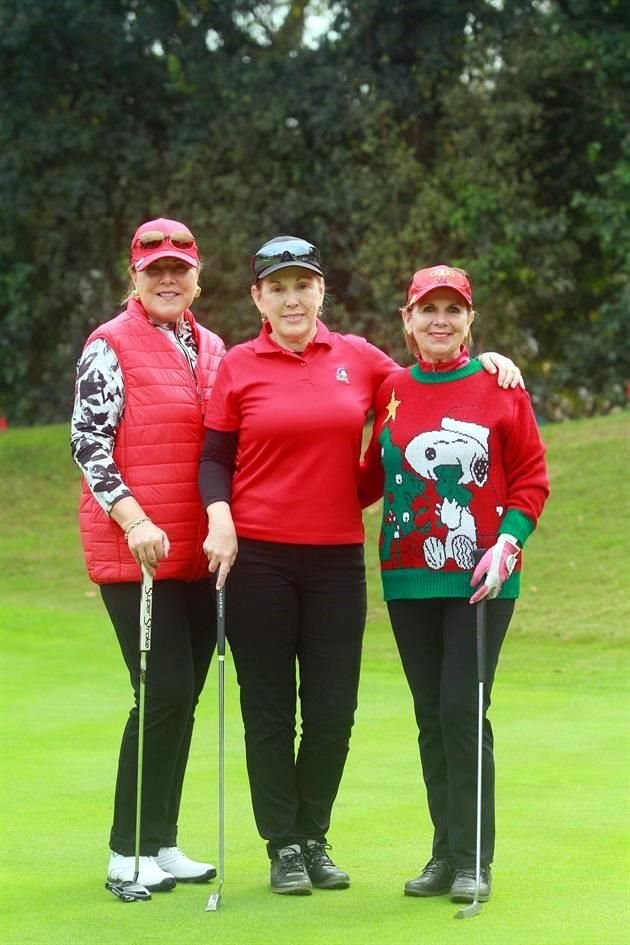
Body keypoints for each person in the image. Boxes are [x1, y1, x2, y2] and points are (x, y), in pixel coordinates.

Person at [197, 236, 524, 896]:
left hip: (337, 560)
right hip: (258, 556)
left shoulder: (360, 360)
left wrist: (489, 361)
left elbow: (431, 379)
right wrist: (219, 514)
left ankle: (313, 836)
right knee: (267, 710)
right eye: (278, 287)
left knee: (332, 712)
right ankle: (283, 843)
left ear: (321, 291)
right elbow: (213, 457)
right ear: (259, 297)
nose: (293, 297)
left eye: (303, 284)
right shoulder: (238, 365)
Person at [360, 264, 549, 904]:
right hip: (408, 578)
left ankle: (475, 859)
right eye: (427, 309)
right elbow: (367, 477)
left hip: (481, 579)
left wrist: (509, 540)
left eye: (453, 309)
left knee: (461, 712)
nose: (440, 320)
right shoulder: (391, 387)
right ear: (408, 320)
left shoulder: (500, 386)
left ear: (470, 320)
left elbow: (531, 479)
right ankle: (444, 852)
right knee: (429, 717)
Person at [71, 218, 225, 894]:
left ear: (197, 275)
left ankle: (160, 842)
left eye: (179, 268)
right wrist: (132, 517)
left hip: (195, 551)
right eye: (154, 267)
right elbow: (89, 441)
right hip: (136, 551)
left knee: (182, 696)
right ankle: (124, 850)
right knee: (160, 691)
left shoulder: (212, 346)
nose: (168, 278)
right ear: (133, 274)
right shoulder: (110, 343)